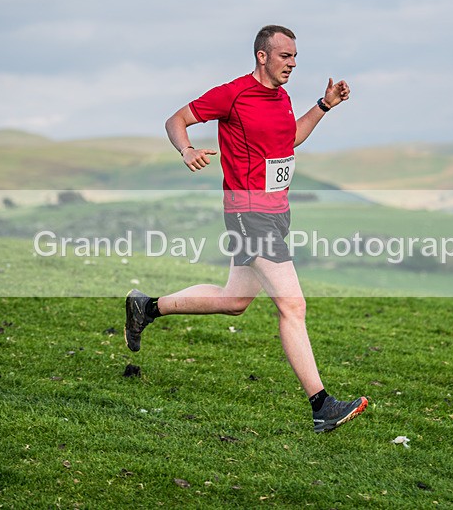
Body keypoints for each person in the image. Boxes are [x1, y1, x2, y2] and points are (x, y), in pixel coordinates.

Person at [124, 25, 367, 433]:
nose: (292, 63)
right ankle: (321, 405)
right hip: (247, 213)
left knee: (234, 300)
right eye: (285, 56)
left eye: (295, 57)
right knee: (293, 306)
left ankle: (145, 307)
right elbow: (176, 119)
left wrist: (323, 106)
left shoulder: (282, 97)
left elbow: (290, 140)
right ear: (261, 55)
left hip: (276, 212)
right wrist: (186, 149)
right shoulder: (233, 93)